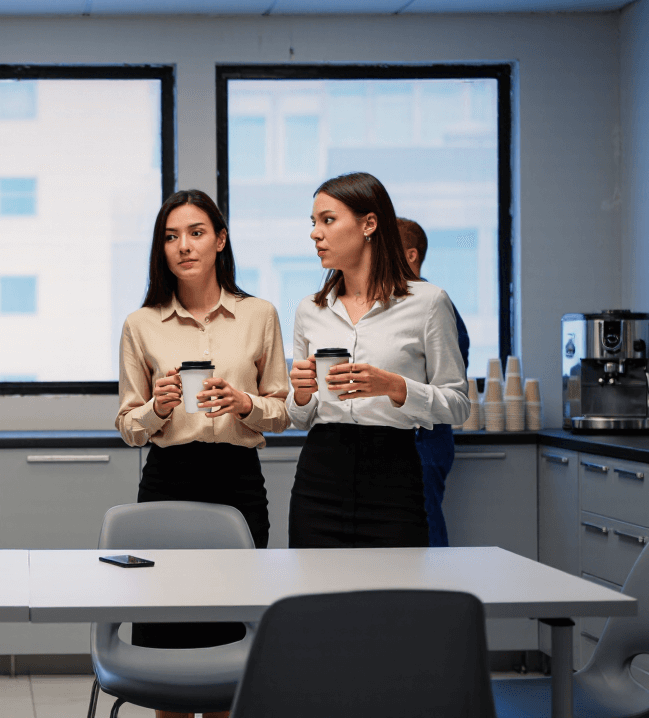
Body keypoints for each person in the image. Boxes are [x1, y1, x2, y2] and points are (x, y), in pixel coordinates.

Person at [116, 190, 289, 718]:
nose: (184, 246)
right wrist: (158, 408)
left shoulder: (259, 315)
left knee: (229, 636)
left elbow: (282, 411)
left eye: (196, 233)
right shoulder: (141, 324)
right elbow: (128, 426)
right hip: (168, 480)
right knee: (167, 640)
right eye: (171, 237)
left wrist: (245, 404)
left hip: (237, 481)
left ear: (220, 240)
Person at [286, 173, 470, 549]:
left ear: (369, 224)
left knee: (398, 585)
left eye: (328, 220)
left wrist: (394, 387)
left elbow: (458, 405)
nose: (315, 233)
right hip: (319, 474)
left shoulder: (428, 302)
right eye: (314, 222)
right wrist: (301, 395)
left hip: (394, 474)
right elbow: (300, 417)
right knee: (315, 584)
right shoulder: (309, 309)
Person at [396, 217, 471, 548]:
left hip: (424, 438)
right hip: (406, 438)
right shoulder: (395, 305)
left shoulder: (433, 304)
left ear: (411, 255)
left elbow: (449, 380)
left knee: (425, 532)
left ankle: (438, 580)